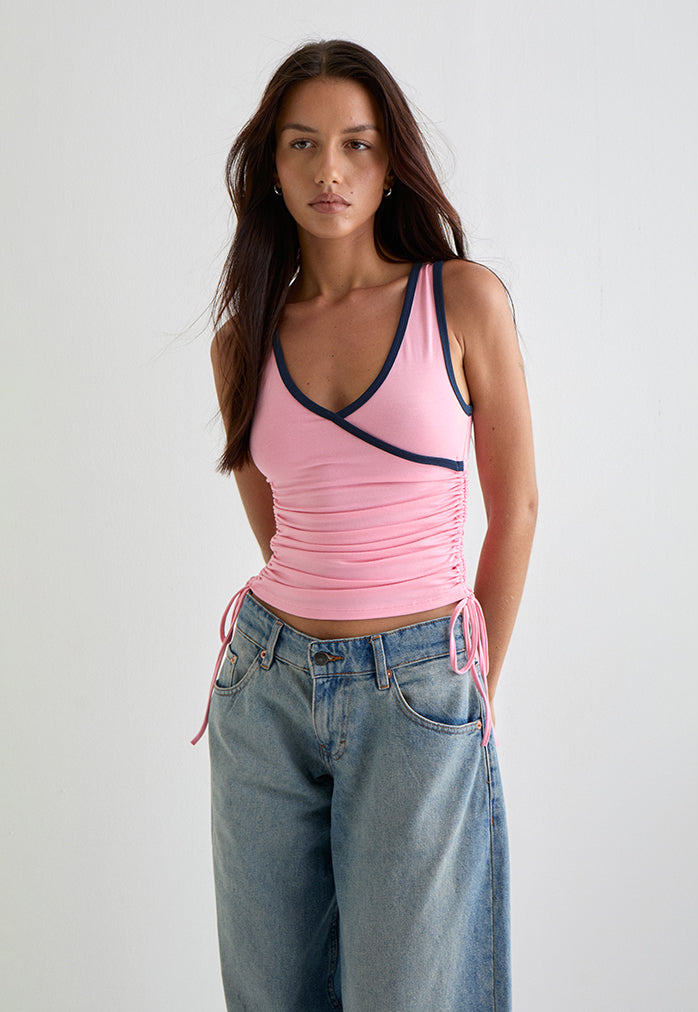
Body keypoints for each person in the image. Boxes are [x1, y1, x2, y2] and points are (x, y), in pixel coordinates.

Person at [193, 39, 538, 1011]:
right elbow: (281, 530)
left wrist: (464, 687)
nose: (328, 170)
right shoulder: (242, 340)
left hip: (420, 687)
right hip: (264, 686)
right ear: (271, 165)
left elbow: (515, 508)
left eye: (356, 143)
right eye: (301, 144)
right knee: (270, 994)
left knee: (408, 993)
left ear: (390, 164)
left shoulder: (461, 299)